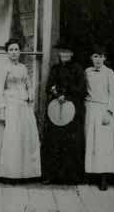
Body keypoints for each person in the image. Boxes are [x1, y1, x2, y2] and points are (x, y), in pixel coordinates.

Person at [0, 38, 41, 180]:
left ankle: (23, 172)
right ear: (7, 52)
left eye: (16, 49)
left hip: (22, 106)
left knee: (23, 138)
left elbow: (28, 84)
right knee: (11, 139)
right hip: (9, 105)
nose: (13, 52)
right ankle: (8, 172)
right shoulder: (4, 67)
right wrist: (2, 109)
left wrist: (30, 94)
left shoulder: (23, 68)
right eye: (11, 50)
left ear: (20, 51)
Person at [41, 40, 87, 184]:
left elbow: (82, 90)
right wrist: (56, 95)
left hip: (72, 110)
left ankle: (71, 177)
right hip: (56, 109)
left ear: (72, 54)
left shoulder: (78, 69)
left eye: (67, 52)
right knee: (53, 142)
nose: (64, 54)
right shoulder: (55, 69)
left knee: (71, 144)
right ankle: (51, 175)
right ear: (59, 53)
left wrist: (66, 95)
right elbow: (49, 86)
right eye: (62, 52)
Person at [85, 45, 114, 190]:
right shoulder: (87, 72)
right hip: (90, 109)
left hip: (104, 110)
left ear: (105, 58)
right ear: (91, 58)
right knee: (91, 142)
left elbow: (113, 94)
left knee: (104, 144)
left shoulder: (109, 73)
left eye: (101, 56)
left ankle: (104, 178)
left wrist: (109, 111)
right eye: (95, 56)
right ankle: (92, 174)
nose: (98, 59)